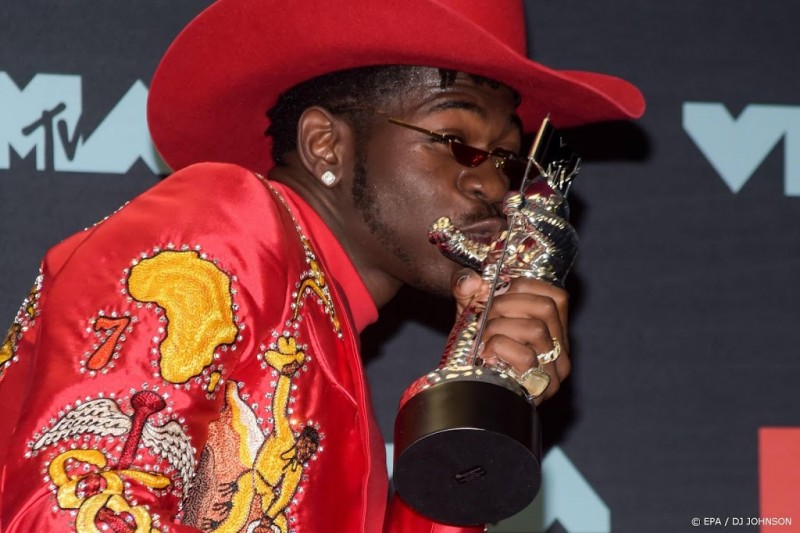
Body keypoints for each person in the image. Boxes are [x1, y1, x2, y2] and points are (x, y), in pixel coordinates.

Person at [0, 0, 644, 531]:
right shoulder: (226, 218)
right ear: (325, 145)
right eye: (456, 141)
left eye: (506, 159)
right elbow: (79, 509)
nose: (493, 187)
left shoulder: (328, 341)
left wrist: (471, 401)